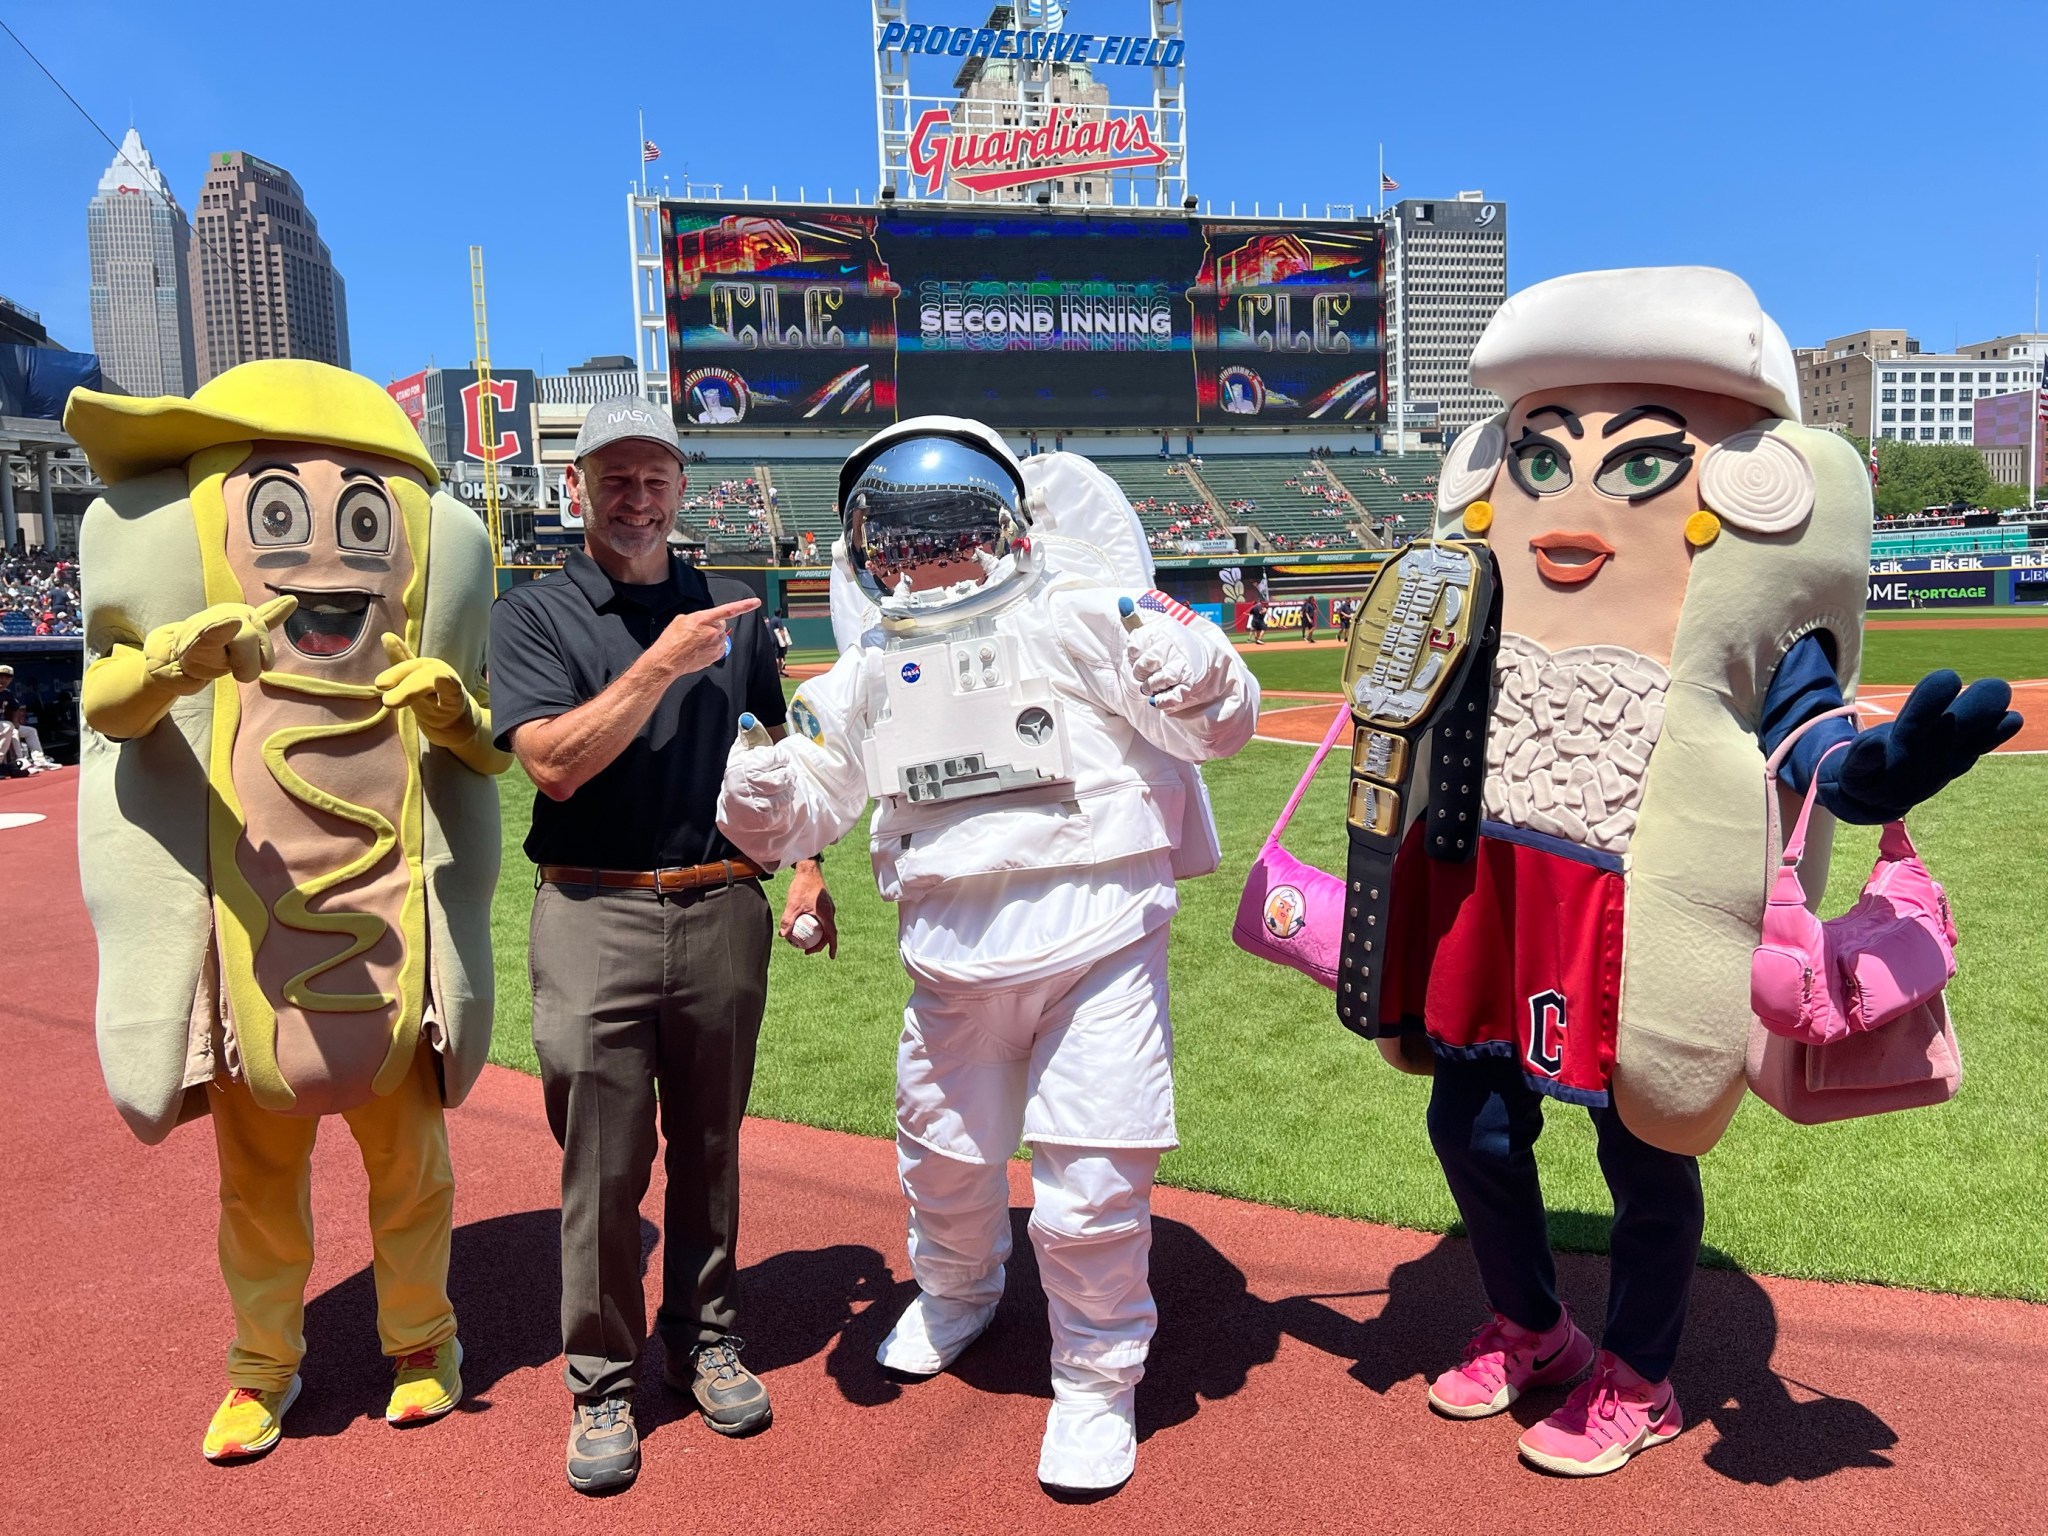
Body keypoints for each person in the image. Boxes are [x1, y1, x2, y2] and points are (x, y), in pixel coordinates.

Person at [1346, 267, 2020, 1478]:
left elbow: (1807, 732)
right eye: (1540, 461)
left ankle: (1641, 1372)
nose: (1569, 500)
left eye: (1640, 464)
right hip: (1494, 891)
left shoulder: (1735, 611)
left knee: (1642, 1146)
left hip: (1637, 913)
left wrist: (1876, 774)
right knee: (1469, 1121)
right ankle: (1534, 1327)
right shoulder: (1476, 580)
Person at [716, 420, 1259, 1493]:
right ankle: (958, 1295)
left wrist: (1198, 671)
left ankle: (1097, 1381)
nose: (925, 561)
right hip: (949, 951)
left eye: (949, 533)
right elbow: (810, 799)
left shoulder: (1081, 614)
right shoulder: (868, 662)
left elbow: (1215, 729)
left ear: (1005, 527)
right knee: (943, 1159)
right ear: (867, 553)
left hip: (1095, 936)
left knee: (1091, 1179)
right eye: (899, 542)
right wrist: (762, 794)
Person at [66, 360, 508, 1462]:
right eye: (278, 508)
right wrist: (174, 657)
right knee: (256, 1188)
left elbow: (489, 752)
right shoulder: (190, 610)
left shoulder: (420, 627)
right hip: (247, 942)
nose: (323, 548)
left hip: (389, 938)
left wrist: (455, 716)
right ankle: (262, 1366)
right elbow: (105, 704)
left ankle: (422, 1343)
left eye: (362, 516)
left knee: (412, 1173)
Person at [489, 396, 835, 1496]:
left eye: (654, 479)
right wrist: (657, 667)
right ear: (579, 489)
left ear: (682, 488)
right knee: (602, 1162)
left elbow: (775, 745)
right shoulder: (534, 614)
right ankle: (601, 1381)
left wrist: (809, 863)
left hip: (723, 902)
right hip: (595, 908)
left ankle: (705, 1336)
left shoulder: (731, 612)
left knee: (713, 1144)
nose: (635, 499)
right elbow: (551, 763)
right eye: (614, 480)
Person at [770, 610, 793, 677]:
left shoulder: (772, 620)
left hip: (772, 640)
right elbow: (781, 630)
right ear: (780, 613)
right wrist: (784, 640)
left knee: (778, 656)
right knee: (778, 657)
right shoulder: (778, 620)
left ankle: (779, 671)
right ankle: (778, 672)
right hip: (778, 640)